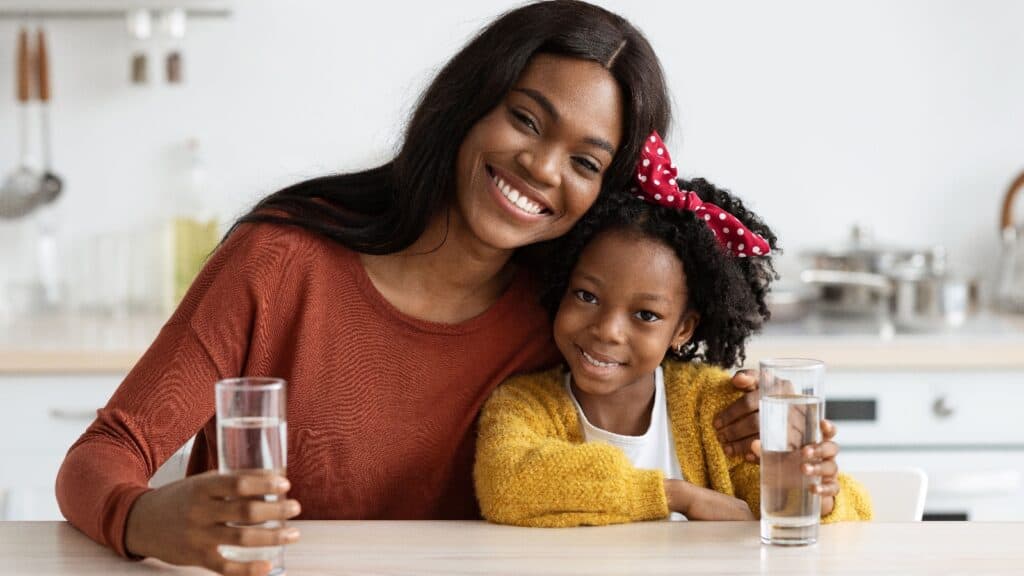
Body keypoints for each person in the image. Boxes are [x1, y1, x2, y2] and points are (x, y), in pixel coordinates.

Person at [56, 3, 761, 574]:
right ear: (468, 104)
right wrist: (144, 519)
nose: (543, 167)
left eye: (584, 160)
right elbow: (103, 454)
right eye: (524, 119)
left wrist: (759, 438)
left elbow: (667, 437)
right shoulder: (277, 263)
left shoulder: (563, 318)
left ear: (604, 193)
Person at [474, 134, 873, 526]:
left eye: (646, 315)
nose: (608, 331)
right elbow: (507, 483)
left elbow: (853, 514)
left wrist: (814, 490)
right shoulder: (523, 404)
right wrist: (680, 497)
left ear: (683, 329)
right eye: (587, 296)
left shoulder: (718, 411)